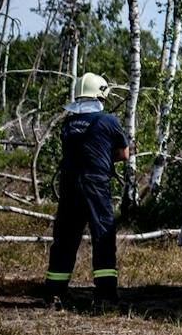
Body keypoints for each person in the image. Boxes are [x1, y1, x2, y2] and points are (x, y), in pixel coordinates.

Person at [44, 73, 131, 305]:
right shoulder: (108, 122)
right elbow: (124, 153)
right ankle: (105, 296)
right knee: (102, 235)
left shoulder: (69, 123)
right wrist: (104, 156)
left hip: (69, 186)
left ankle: (55, 292)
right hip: (95, 186)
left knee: (65, 238)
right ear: (101, 95)